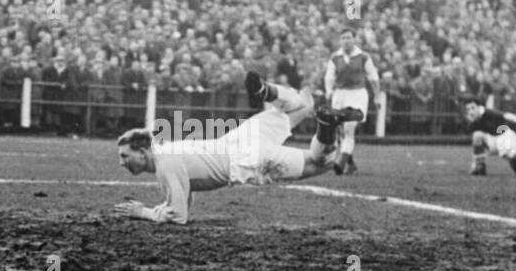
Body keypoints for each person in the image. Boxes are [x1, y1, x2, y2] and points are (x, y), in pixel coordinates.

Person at [113, 73, 361, 225]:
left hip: (245, 159)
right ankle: (269, 91)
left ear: (143, 151)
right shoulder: (168, 152)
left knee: (322, 163)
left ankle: (326, 128)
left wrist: (143, 212)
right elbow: (183, 199)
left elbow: (179, 216)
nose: (122, 163)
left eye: (125, 156)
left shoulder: (164, 163)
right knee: (303, 106)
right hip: (241, 138)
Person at [323, 27, 380, 175]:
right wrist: (329, 90)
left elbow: (373, 77)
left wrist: (377, 96)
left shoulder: (363, 56)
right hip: (340, 94)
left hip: (357, 94)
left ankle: (340, 163)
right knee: (339, 130)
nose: (346, 41)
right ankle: (351, 163)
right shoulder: (335, 57)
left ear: (354, 39)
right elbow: (329, 76)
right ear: (340, 40)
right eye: (343, 38)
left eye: (349, 38)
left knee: (349, 128)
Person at [462, 97, 516, 176]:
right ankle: (480, 167)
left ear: (479, 107)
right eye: (468, 109)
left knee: (511, 155)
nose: (471, 111)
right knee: (476, 135)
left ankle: (515, 167)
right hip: (492, 142)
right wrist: (474, 165)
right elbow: (474, 142)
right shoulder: (472, 121)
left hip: (505, 137)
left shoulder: (488, 112)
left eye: (473, 108)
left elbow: (505, 115)